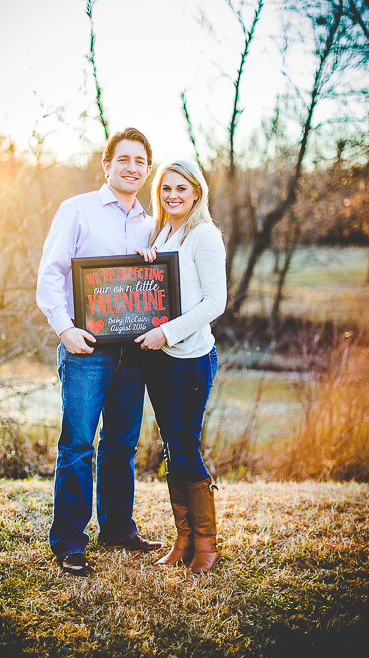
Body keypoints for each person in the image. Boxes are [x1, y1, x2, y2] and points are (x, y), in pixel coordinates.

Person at [37, 127, 164, 577]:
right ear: (106, 166)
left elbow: (157, 288)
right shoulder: (78, 211)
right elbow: (50, 273)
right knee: (77, 445)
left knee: (121, 446)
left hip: (134, 352)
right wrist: (65, 328)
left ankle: (116, 530)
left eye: (140, 162)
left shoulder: (151, 224)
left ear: (147, 171)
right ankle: (70, 540)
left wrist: (154, 266)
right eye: (124, 160)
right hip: (86, 349)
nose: (132, 168)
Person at [134, 159, 226, 574]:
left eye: (181, 189)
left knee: (185, 449)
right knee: (172, 449)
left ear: (196, 193)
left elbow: (214, 303)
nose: (173, 196)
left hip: (189, 359)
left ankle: (206, 545)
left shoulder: (204, 235)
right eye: (166, 189)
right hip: (157, 359)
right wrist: (143, 262)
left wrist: (168, 333)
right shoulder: (161, 233)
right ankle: (183, 540)